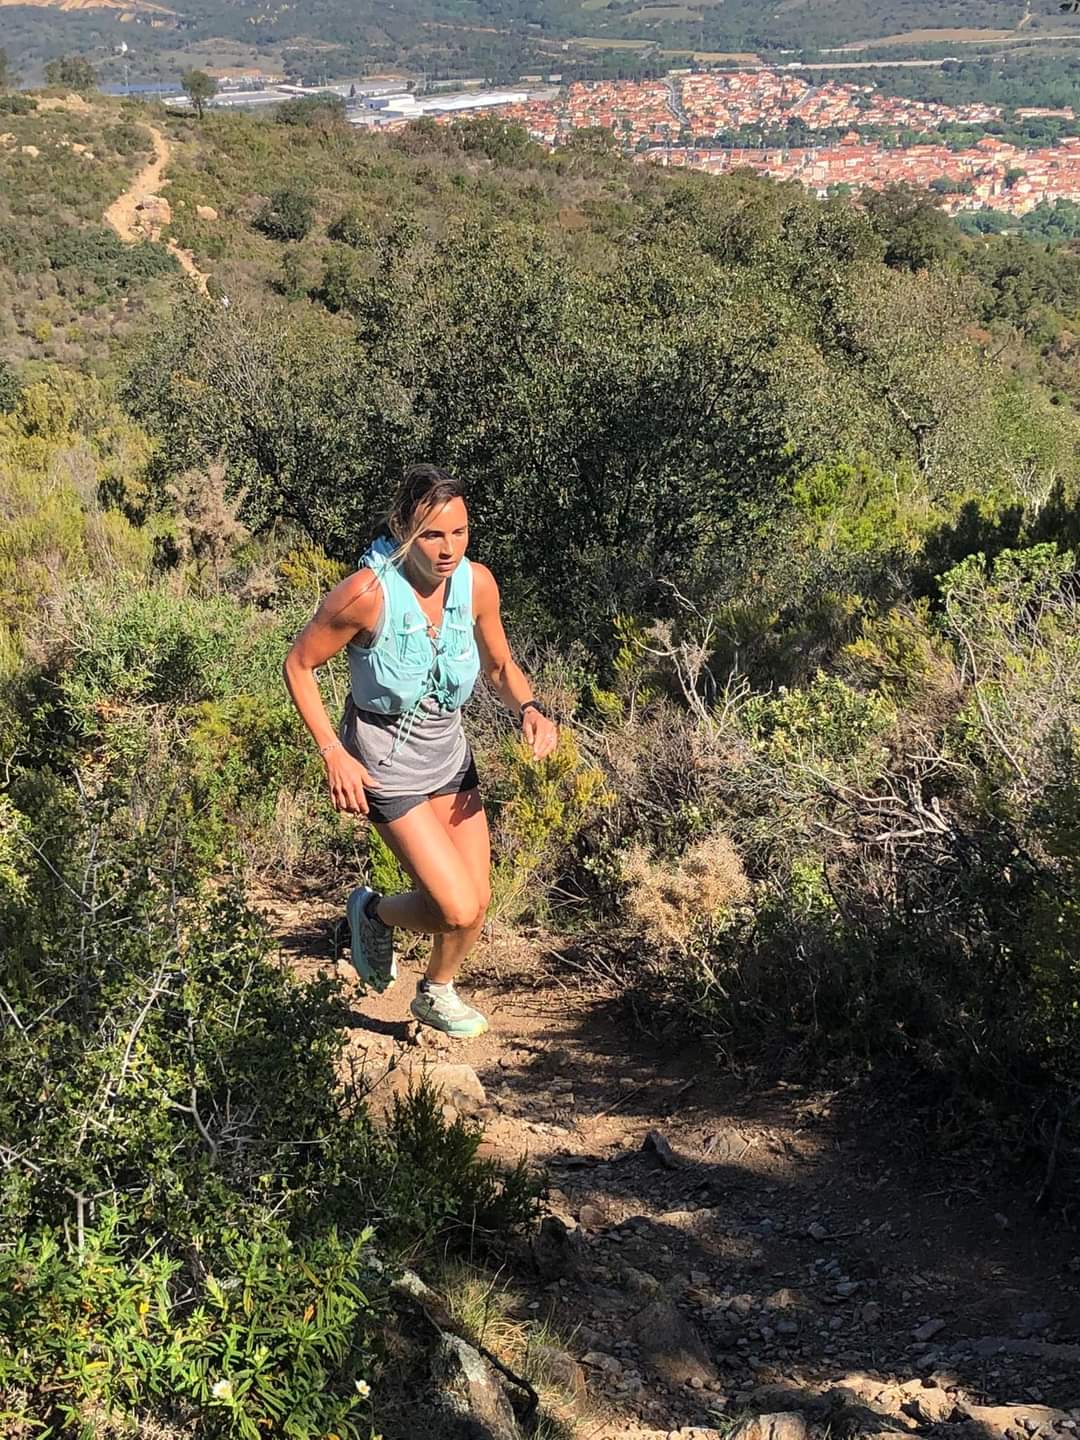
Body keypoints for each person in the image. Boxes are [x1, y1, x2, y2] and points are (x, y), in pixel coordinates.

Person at [283, 463, 559, 1038]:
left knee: (476, 902)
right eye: (433, 535)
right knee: (454, 906)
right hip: (385, 768)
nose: (448, 548)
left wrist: (529, 708)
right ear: (404, 529)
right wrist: (333, 751)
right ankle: (374, 914)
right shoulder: (366, 594)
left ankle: (434, 987)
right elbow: (299, 665)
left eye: (459, 532)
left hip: (448, 759)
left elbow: (500, 666)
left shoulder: (476, 584)